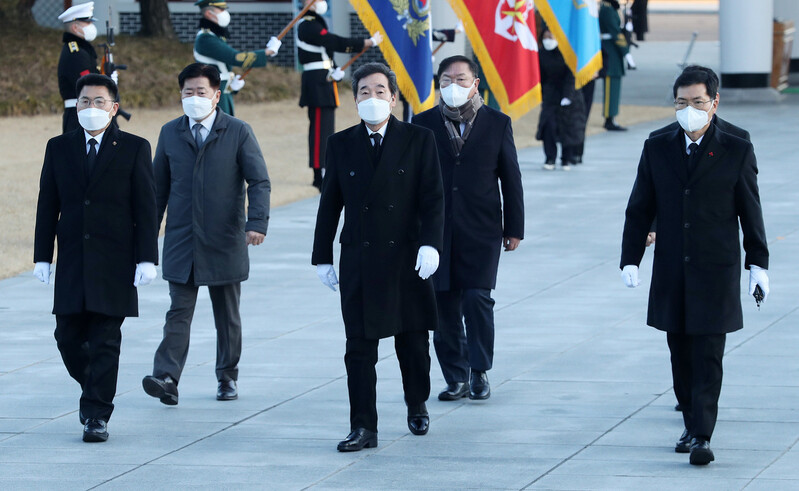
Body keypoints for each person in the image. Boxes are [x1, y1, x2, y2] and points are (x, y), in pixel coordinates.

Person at [620, 66, 770, 465]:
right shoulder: (657, 145)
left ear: (714, 103)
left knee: (708, 352)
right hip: (672, 268)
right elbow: (640, 208)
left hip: (716, 268)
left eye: (698, 102)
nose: (689, 109)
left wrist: (758, 264)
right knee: (680, 350)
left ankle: (702, 434)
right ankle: (690, 419)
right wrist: (630, 258)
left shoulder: (737, 146)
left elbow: (750, 210)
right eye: (681, 102)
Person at [312, 62, 444, 452]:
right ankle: (363, 427)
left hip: (407, 256)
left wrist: (431, 244)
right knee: (359, 348)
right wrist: (322, 256)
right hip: (361, 258)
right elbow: (330, 204)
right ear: (355, 100)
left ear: (394, 97)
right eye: (364, 92)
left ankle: (416, 401)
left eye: (380, 91)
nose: (372, 98)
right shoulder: (340, 144)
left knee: (414, 343)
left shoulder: (419, 139)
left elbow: (434, 197)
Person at [33, 74, 159, 442]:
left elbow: (146, 207)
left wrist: (147, 258)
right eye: (85, 102)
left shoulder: (135, 147)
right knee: (67, 337)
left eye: (99, 101)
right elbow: (47, 204)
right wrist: (43, 256)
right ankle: (96, 385)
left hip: (115, 260)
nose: (92, 108)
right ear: (76, 107)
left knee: (106, 339)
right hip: (72, 257)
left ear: (114, 108)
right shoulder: (58, 147)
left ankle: (96, 416)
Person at [142, 63, 271, 405]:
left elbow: (258, 180)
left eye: (201, 92)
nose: (194, 98)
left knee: (226, 315)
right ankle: (166, 377)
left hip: (224, 237)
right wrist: (145, 239)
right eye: (188, 92)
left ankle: (227, 376)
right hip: (183, 240)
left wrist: (256, 222)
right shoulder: (170, 132)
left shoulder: (238, 131)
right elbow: (158, 190)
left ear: (217, 95)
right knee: (178, 312)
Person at [412, 56, 524, 402]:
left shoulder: (497, 122)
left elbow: (511, 177)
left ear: (476, 84)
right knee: (443, 305)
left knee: (477, 299)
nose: (453, 86)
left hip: (482, 228)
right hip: (436, 231)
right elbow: (412, 181)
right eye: (446, 80)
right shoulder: (423, 123)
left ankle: (479, 370)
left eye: (461, 79)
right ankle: (455, 376)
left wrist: (514, 227)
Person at [297, 0, 382, 190]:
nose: (322, 2)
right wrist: (365, 42)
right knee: (320, 130)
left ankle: (324, 169)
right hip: (317, 82)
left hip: (323, 79)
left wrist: (334, 68)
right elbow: (333, 42)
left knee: (326, 128)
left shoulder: (315, 22)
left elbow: (324, 52)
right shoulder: (308, 24)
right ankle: (319, 174)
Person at [193, 0, 282, 116]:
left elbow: (222, 69)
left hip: (221, 92)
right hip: (213, 93)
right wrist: (266, 52)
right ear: (209, 13)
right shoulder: (205, 39)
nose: (225, 13)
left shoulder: (214, 36)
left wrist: (231, 86)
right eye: (221, 10)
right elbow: (235, 57)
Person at [536, 29, 587, 171]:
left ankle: (566, 159)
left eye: (551, 36)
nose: (548, 39)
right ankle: (550, 158)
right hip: (550, 95)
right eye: (545, 36)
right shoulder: (541, 53)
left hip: (569, 95)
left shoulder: (567, 53)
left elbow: (571, 76)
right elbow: (540, 75)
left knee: (568, 128)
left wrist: (568, 96)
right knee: (548, 127)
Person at [57, 2, 100, 134]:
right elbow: (87, 82)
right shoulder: (76, 52)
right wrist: (107, 82)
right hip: (79, 114)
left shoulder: (81, 49)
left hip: (84, 110)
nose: (91, 26)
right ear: (75, 28)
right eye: (87, 23)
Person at [599, 0, 629, 131]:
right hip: (610, 49)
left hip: (613, 50)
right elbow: (615, 32)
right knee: (610, 85)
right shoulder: (607, 9)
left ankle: (612, 116)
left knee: (614, 84)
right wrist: (626, 52)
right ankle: (609, 118)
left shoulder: (611, 7)